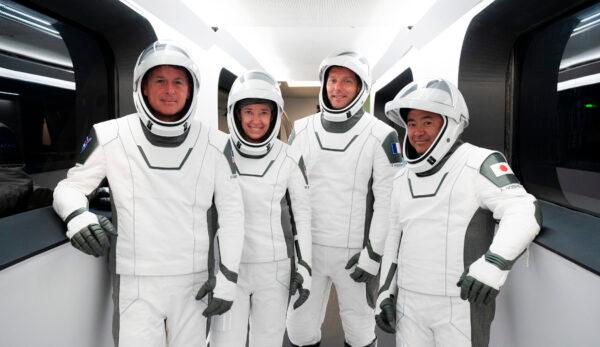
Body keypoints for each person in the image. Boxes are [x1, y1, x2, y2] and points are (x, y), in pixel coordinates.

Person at [52, 41, 245, 346]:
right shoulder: (110, 134)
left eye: (178, 82)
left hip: (194, 282)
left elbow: (233, 215)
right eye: (160, 81)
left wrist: (229, 278)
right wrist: (77, 216)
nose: (170, 90)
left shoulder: (217, 144)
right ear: (142, 87)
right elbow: (70, 187)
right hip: (135, 281)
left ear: (191, 89)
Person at [376, 78, 542, 347]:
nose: (418, 132)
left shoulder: (479, 162)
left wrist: (493, 265)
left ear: (450, 124)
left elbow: (524, 210)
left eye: (428, 122)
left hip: (460, 304)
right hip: (409, 303)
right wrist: (385, 292)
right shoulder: (401, 177)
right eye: (412, 123)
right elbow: (394, 237)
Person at [286, 50, 401, 347]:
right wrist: (294, 252)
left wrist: (373, 254)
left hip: (355, 255)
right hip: (309, 252)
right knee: (298, 329)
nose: (337, 88)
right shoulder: (301, 129)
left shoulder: (382, 135)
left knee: (360, 331)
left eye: (347, 81)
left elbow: (388, 201)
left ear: (361, 87)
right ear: (324, 84)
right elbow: (288, 191)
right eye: (332, 80)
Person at [209, 70, 312, 347]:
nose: (256, 120)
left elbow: (302, 215)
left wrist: (305, 267)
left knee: (267, 341)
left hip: (274, 267)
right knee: (224, 341)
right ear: (236, 114)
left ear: (275, 115)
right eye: (249, 112)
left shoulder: (290, 156)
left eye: (264, 113)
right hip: (230, 266)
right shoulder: (217, 151)